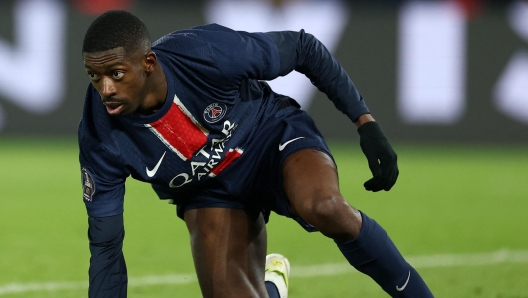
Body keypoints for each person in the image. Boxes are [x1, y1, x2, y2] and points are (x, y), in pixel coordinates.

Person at [79, 10, 433, 298]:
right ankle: (272, 289)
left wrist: (365, 123)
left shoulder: (205, 53)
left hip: (271, 139)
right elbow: (106, 246)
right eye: (95, 76)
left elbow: (303, 48)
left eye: (117, 73)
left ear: (149, 63)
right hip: (209, 191)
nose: (106, 89)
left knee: (326, 207)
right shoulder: (99, 137)